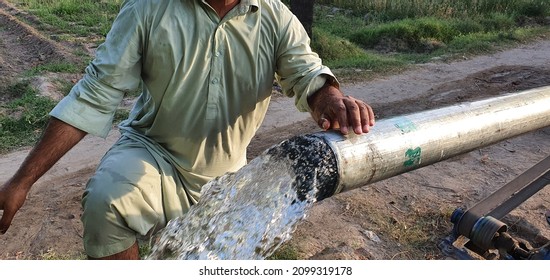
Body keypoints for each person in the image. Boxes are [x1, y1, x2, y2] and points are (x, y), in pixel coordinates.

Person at [0, 0, 374, 259]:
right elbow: (94, 94)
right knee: (106, 202)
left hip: (228, 170)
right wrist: (21, 182)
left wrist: (330, 100)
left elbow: (308, 76)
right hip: (153, 152)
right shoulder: (148, 9)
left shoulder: (274, 17)